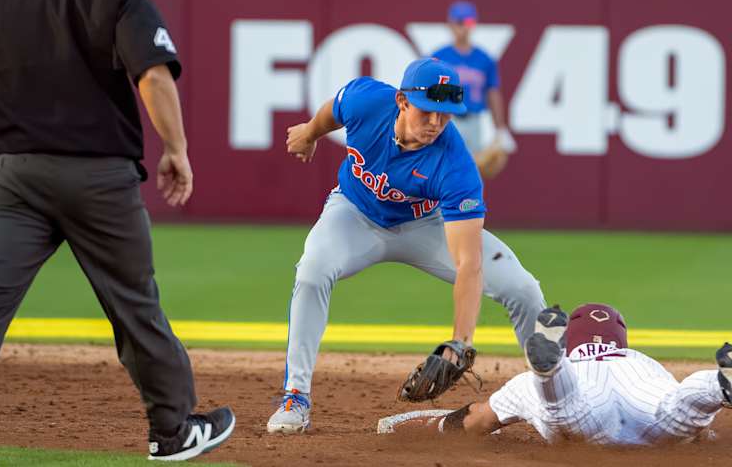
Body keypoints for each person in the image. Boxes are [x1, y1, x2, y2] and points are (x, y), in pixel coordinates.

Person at [0, 0, 234, 461]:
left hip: (13, 175)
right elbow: (154, 77)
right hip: (97, 177)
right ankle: (173, 431)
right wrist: (176, 149)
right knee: (133, 302)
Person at [266, 56, 546, 434]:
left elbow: (469, 263)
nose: (435, 123)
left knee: (524, 289)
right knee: (313, 271)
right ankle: (295, 396)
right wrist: (311, 132)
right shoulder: (366, 100)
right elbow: (333, 111)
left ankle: (555, 399)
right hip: (354, 213)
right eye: (427, 111)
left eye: (445, 115)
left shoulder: (455, 163)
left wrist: (460, 343)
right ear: (402, 101)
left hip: (425, 225)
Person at [379, 304, 732, 445]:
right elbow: (699, 433)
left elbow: (477, 419)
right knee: (679, 408)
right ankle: (718, 384)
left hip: (584, 402)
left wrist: (433, 426)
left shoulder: (535, 378)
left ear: (567, 342)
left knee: (570, 409)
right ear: (621, 339)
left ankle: (549, 373)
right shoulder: (642, 361)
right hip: (646, 403)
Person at [432, 1, 516, 177]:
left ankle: (470, 205)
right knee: (445, 170)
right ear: (451, 24)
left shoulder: (484, 59)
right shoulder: (439, 56)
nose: (464, 28)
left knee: (473, 172)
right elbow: (428, 91)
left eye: (468, 23)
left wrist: (500, 127)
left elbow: (493, 92)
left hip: (476, 120)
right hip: (448, 119)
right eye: (459, 22)